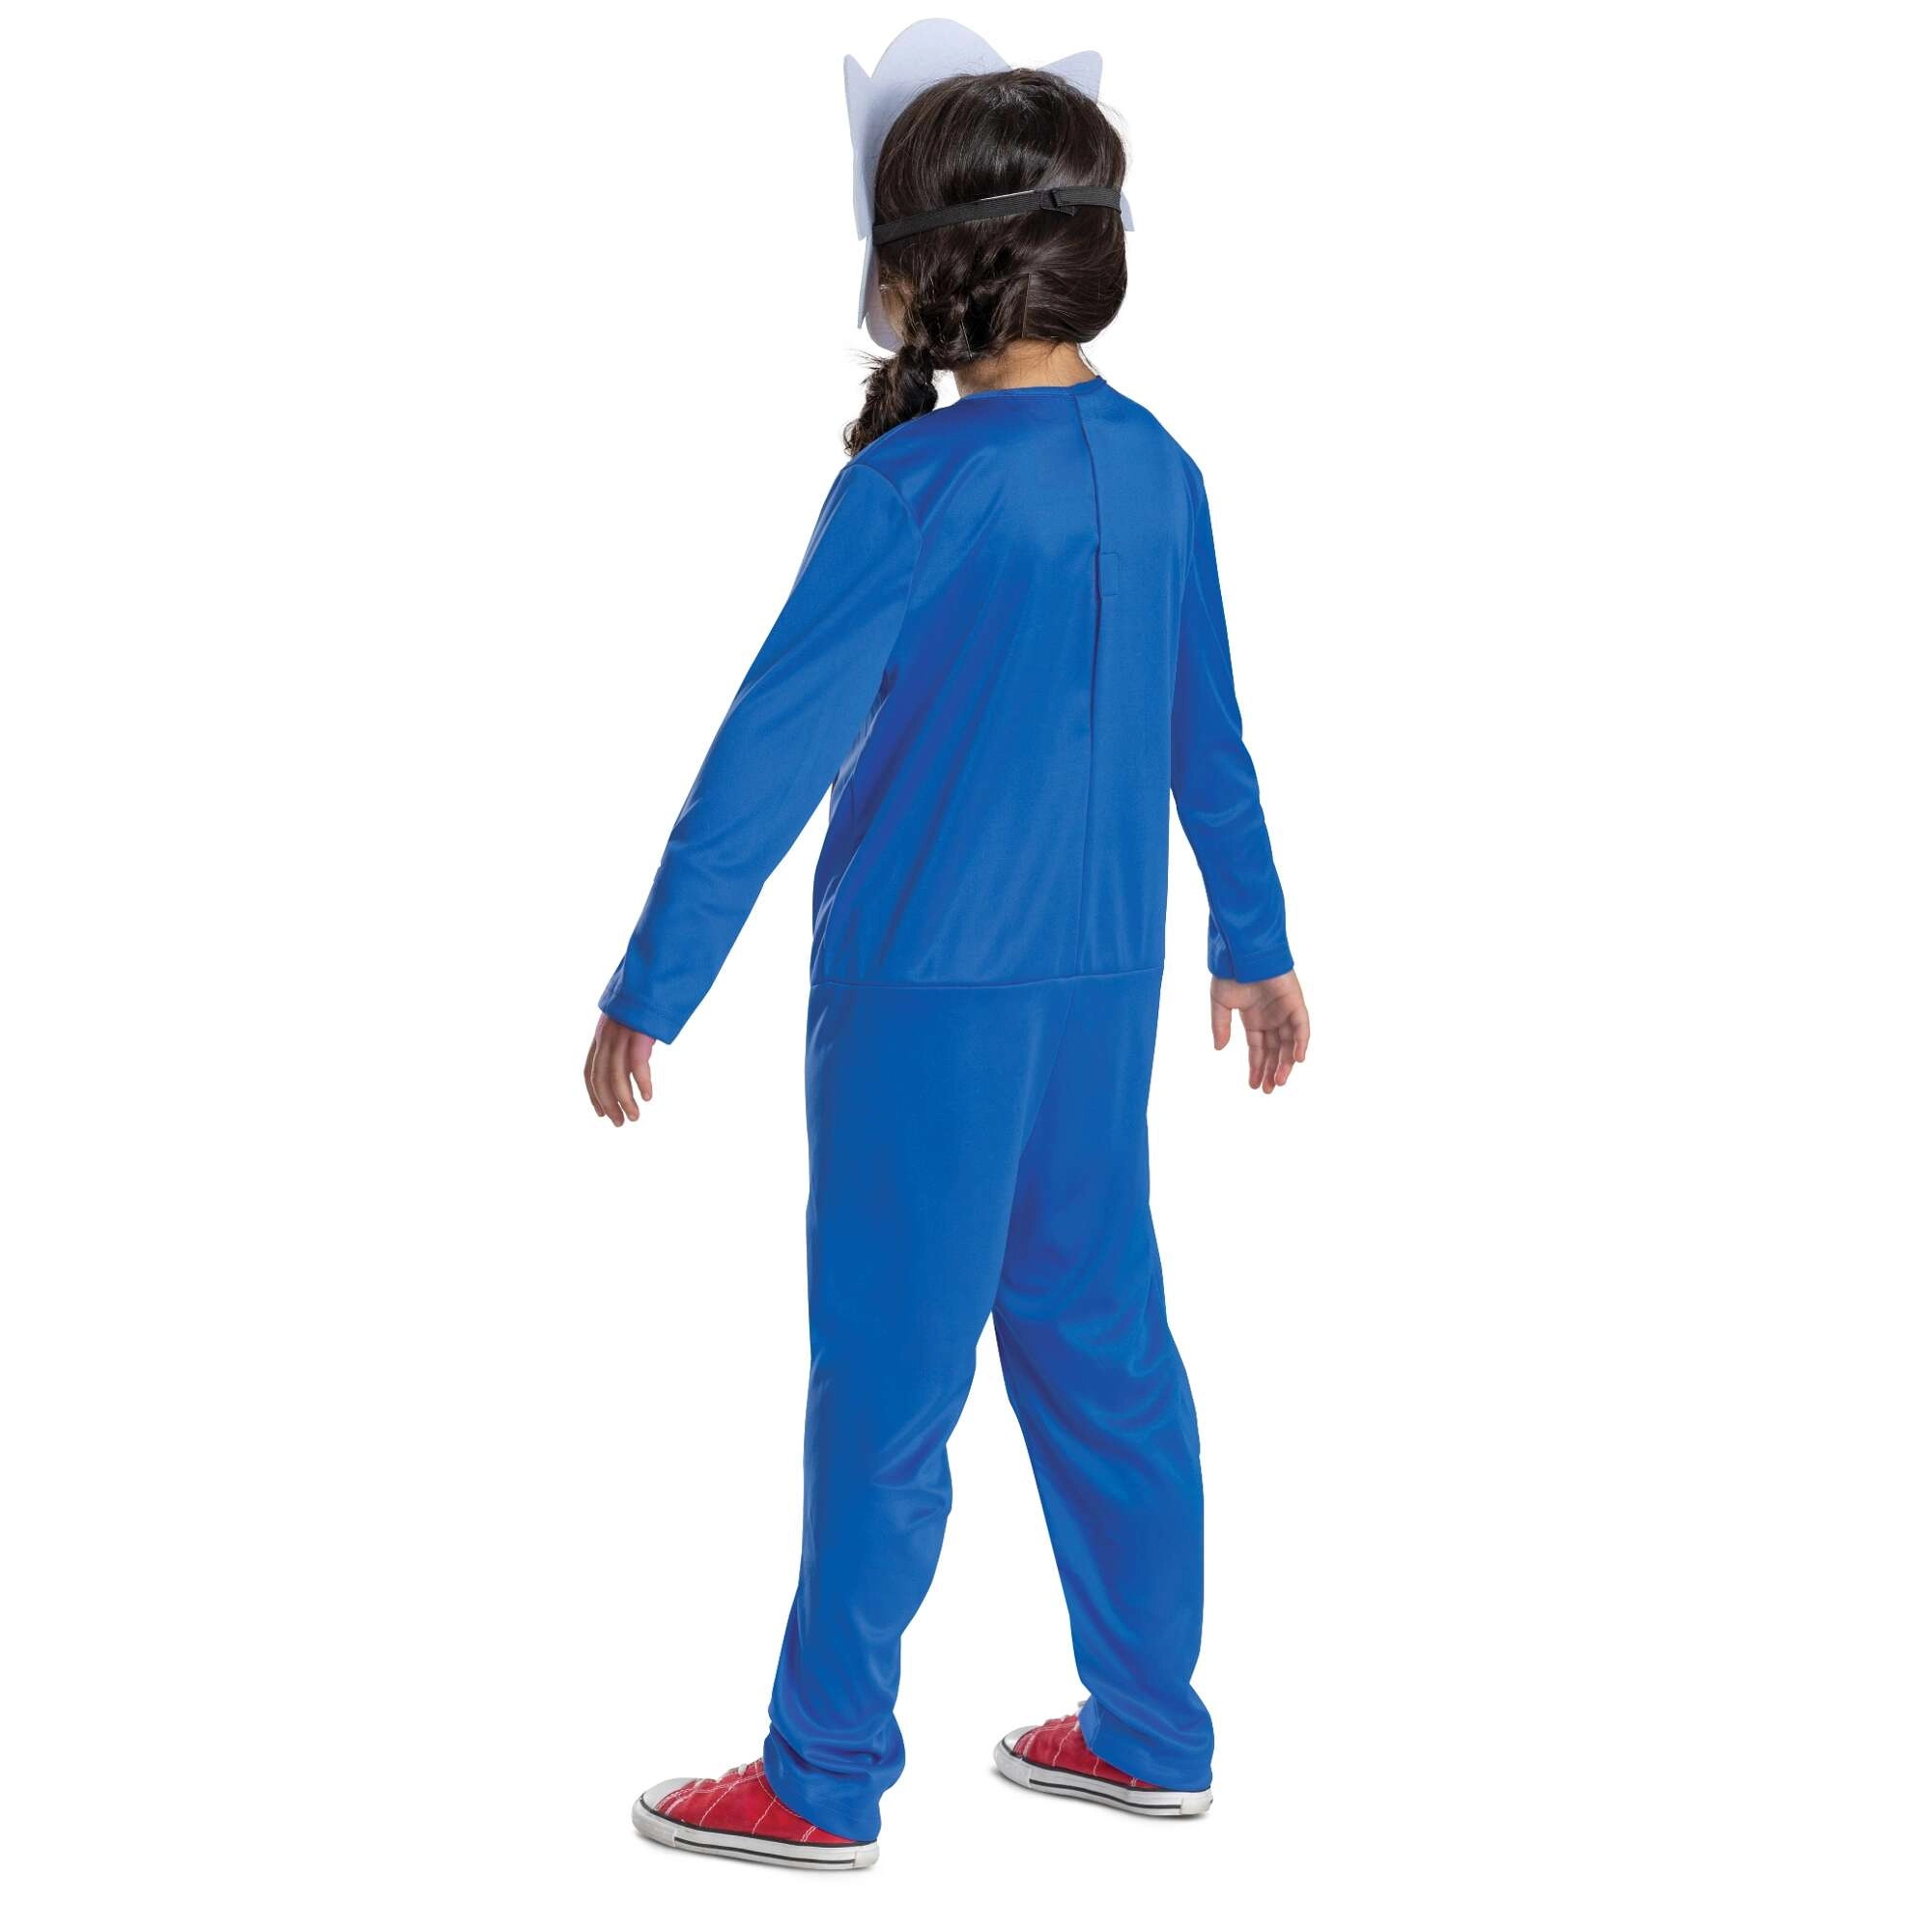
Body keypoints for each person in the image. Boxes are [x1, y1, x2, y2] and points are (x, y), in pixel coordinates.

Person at [584, 24, 1310, 1872]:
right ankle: (1149, 1727)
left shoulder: (907, 494)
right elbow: (1210, 732)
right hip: (1102, 987)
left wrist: (652, 982)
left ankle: (822, 1775)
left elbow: (764, 757)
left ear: (921, 270)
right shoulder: (1160, 468)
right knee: (1104, 1350)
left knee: (890, 1382)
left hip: (924, 998)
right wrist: (1253, 938)